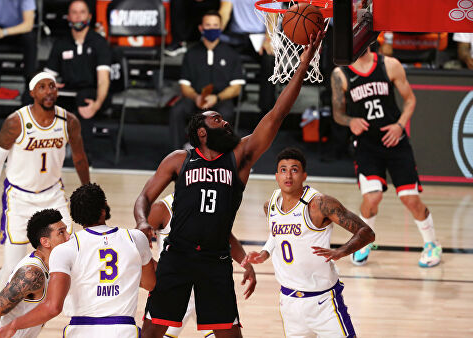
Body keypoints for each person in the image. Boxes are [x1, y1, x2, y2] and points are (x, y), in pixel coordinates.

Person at [135, 31, 323, 338]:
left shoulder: (240, 157)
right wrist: (143, 222)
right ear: (202, 133)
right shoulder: (178, 160)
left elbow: (276, 116)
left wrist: (301, 67)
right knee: (152, 333)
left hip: (215, 258)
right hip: (178, 256)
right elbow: (144, 197)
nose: (226, 122)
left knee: (229, 335)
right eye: (217, 120)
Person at [242, 147, 374, 337]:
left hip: (324, 303)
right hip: (289, 302)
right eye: (283, 170)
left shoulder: (319, 204)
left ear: (304, 175)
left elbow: (367, 232)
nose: (288, 175)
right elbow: (277, 234)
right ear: (276, 176)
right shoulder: (270, 205)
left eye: (294, 170)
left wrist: (342, 251)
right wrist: (265, 253)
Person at [0, 183, 156, 338]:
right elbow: (150, 284)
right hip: (124, 330)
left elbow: (53, 307)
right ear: (104, 207)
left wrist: (14, 325)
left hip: (80, 330)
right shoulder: (136, 238)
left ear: (75, 215)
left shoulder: (66, 248)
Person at [331, 47, 443, 267]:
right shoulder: (340, 74)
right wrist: (349, 121)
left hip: (395, 143)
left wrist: (400, 125)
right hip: (367, 145)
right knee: (372, 198)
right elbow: (338, 113)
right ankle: (363, 241)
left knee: (410, 199)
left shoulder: (389, 64)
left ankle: (432, 244)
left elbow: (410, 100)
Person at [0, 71, 90, 292]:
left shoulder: (69, 121)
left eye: (52, 86)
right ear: (32, 92)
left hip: (52, 195)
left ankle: (59, 308)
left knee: (68, 254)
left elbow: (79, 158)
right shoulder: (16, 122)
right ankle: (0, 313)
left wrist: (88, 194)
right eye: (43, 87)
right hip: (19, 198)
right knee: (13, 266)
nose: (49, 91)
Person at [148, 193, 250, 338]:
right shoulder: (162, 208)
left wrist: (246, 263)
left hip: (206, 289)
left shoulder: (212, 201)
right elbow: (138, 247)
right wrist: (160, 271)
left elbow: (226, 235)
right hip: (174, 291)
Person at [0, 209, 70, 338]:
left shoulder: (53, 264)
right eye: (61, 232)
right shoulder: (32, 274)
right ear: (45, 242)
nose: (68, 236)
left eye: (66, 230)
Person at [44, 0, 111, 158]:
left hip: (93, 91)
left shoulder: (99, 43)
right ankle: (37, 152)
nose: (78, 17)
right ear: (68, 17)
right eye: (74, 12)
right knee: (34, 96)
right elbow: (48, 75)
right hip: (67, 91)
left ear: (89, 16)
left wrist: (97, 104)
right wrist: (50, 85)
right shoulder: (61, 43)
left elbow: (103, 80)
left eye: (82, 12)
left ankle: (83, 155)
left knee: (84, 99)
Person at [170, 10, 245, 150]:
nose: (212, 29)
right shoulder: (191, 54)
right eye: (208, 25)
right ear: (201, 28)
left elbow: (236, 88)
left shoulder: (231, 54)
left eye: (215, 25)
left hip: (220, 99)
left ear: (221, 27)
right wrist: (196, 97)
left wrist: (216, 98)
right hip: (196, 99)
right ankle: (178, 154)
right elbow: (184, 86)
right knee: (177, 110)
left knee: (226, 112)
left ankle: (227, 154)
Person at [219, 0, 278, 112]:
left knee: (269, 59)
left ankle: (266, 109)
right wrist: (215, 31)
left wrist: (268, 39)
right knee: (221, 54)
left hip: (262, 36)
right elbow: (224, 12)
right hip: (237, 37)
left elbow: (272, 17)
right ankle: (228, 101)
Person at [0, 0, 37, 100]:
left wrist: (3, 32)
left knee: (30, 38)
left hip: (18, 30)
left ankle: (29, 85)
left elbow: (28, 25)